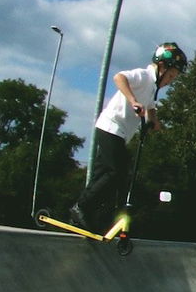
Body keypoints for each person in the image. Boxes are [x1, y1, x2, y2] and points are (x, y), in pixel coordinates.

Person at [71, 42, 186, 231]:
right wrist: (133, 101)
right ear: (162, 67)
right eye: (171, 76)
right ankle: (81, 207)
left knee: (106, 174)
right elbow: (119, 77)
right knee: (115, 172)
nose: (170, 81)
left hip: (120, 134)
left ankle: (87, 214)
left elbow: (150, 106)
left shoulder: (152, 88)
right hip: (110, 127)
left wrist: (154, 121)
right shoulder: (143, 76)